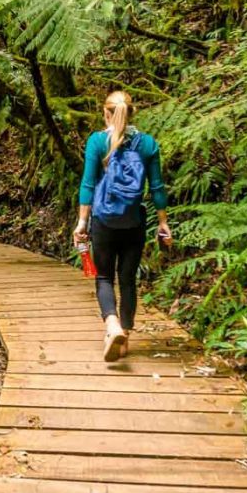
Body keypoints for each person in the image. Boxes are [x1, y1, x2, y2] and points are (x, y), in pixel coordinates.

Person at [73, 90, 172, 362]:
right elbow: (157, 187)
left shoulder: (97, 142)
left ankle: (112, 325)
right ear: (132, 113)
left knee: (104, 277)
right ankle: (125, 337)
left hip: (104, 222)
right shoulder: (148, 145)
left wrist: (82, 222)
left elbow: (88, 184)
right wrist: (163, 222)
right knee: (128, 279)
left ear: (106, 113)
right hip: (134, 222)